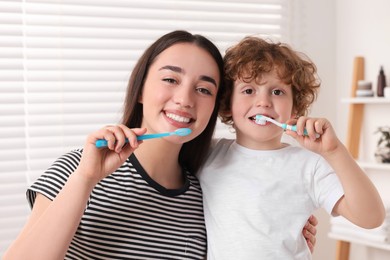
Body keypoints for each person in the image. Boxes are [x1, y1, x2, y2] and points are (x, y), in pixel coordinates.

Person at [4, 31, 317, 260]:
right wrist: (85, 180)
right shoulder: (79, 168)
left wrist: (283, 238)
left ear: (216, 108)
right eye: (170, 80)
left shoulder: (205, 195)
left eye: (204, 89)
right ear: (140, 90)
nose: (184, 99)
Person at [198, 36, 386, 259]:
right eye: (249, 91)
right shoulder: (208, 154)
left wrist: (334, 152)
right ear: (227, 103)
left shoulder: (309, 165)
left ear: (295, 108)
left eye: (277, 92)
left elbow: (370, 217)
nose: (264, 102)